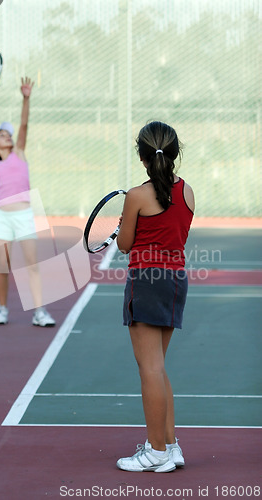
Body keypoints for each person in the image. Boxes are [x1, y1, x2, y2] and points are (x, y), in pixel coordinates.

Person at [116, 121, 194, 472]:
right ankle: (171, 445)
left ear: (142, 157)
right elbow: (175, 234)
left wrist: (125, 225)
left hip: (146, 281)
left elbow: (125, 244)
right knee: (158, 368)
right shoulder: (188, 191)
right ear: (175, 152)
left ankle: (157, 451)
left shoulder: (137, 195)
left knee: (149, 369)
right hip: (176, 280)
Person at [0, 77, 55, 328]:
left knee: (32, 265)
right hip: (3, 217)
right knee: (2, 267)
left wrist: (26, 98)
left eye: (9, 134)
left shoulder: (20, 154)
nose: (8, 137)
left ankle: (39, 312)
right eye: (3, 135)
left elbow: (24, 124)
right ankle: (2, 308)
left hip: (24, 215)